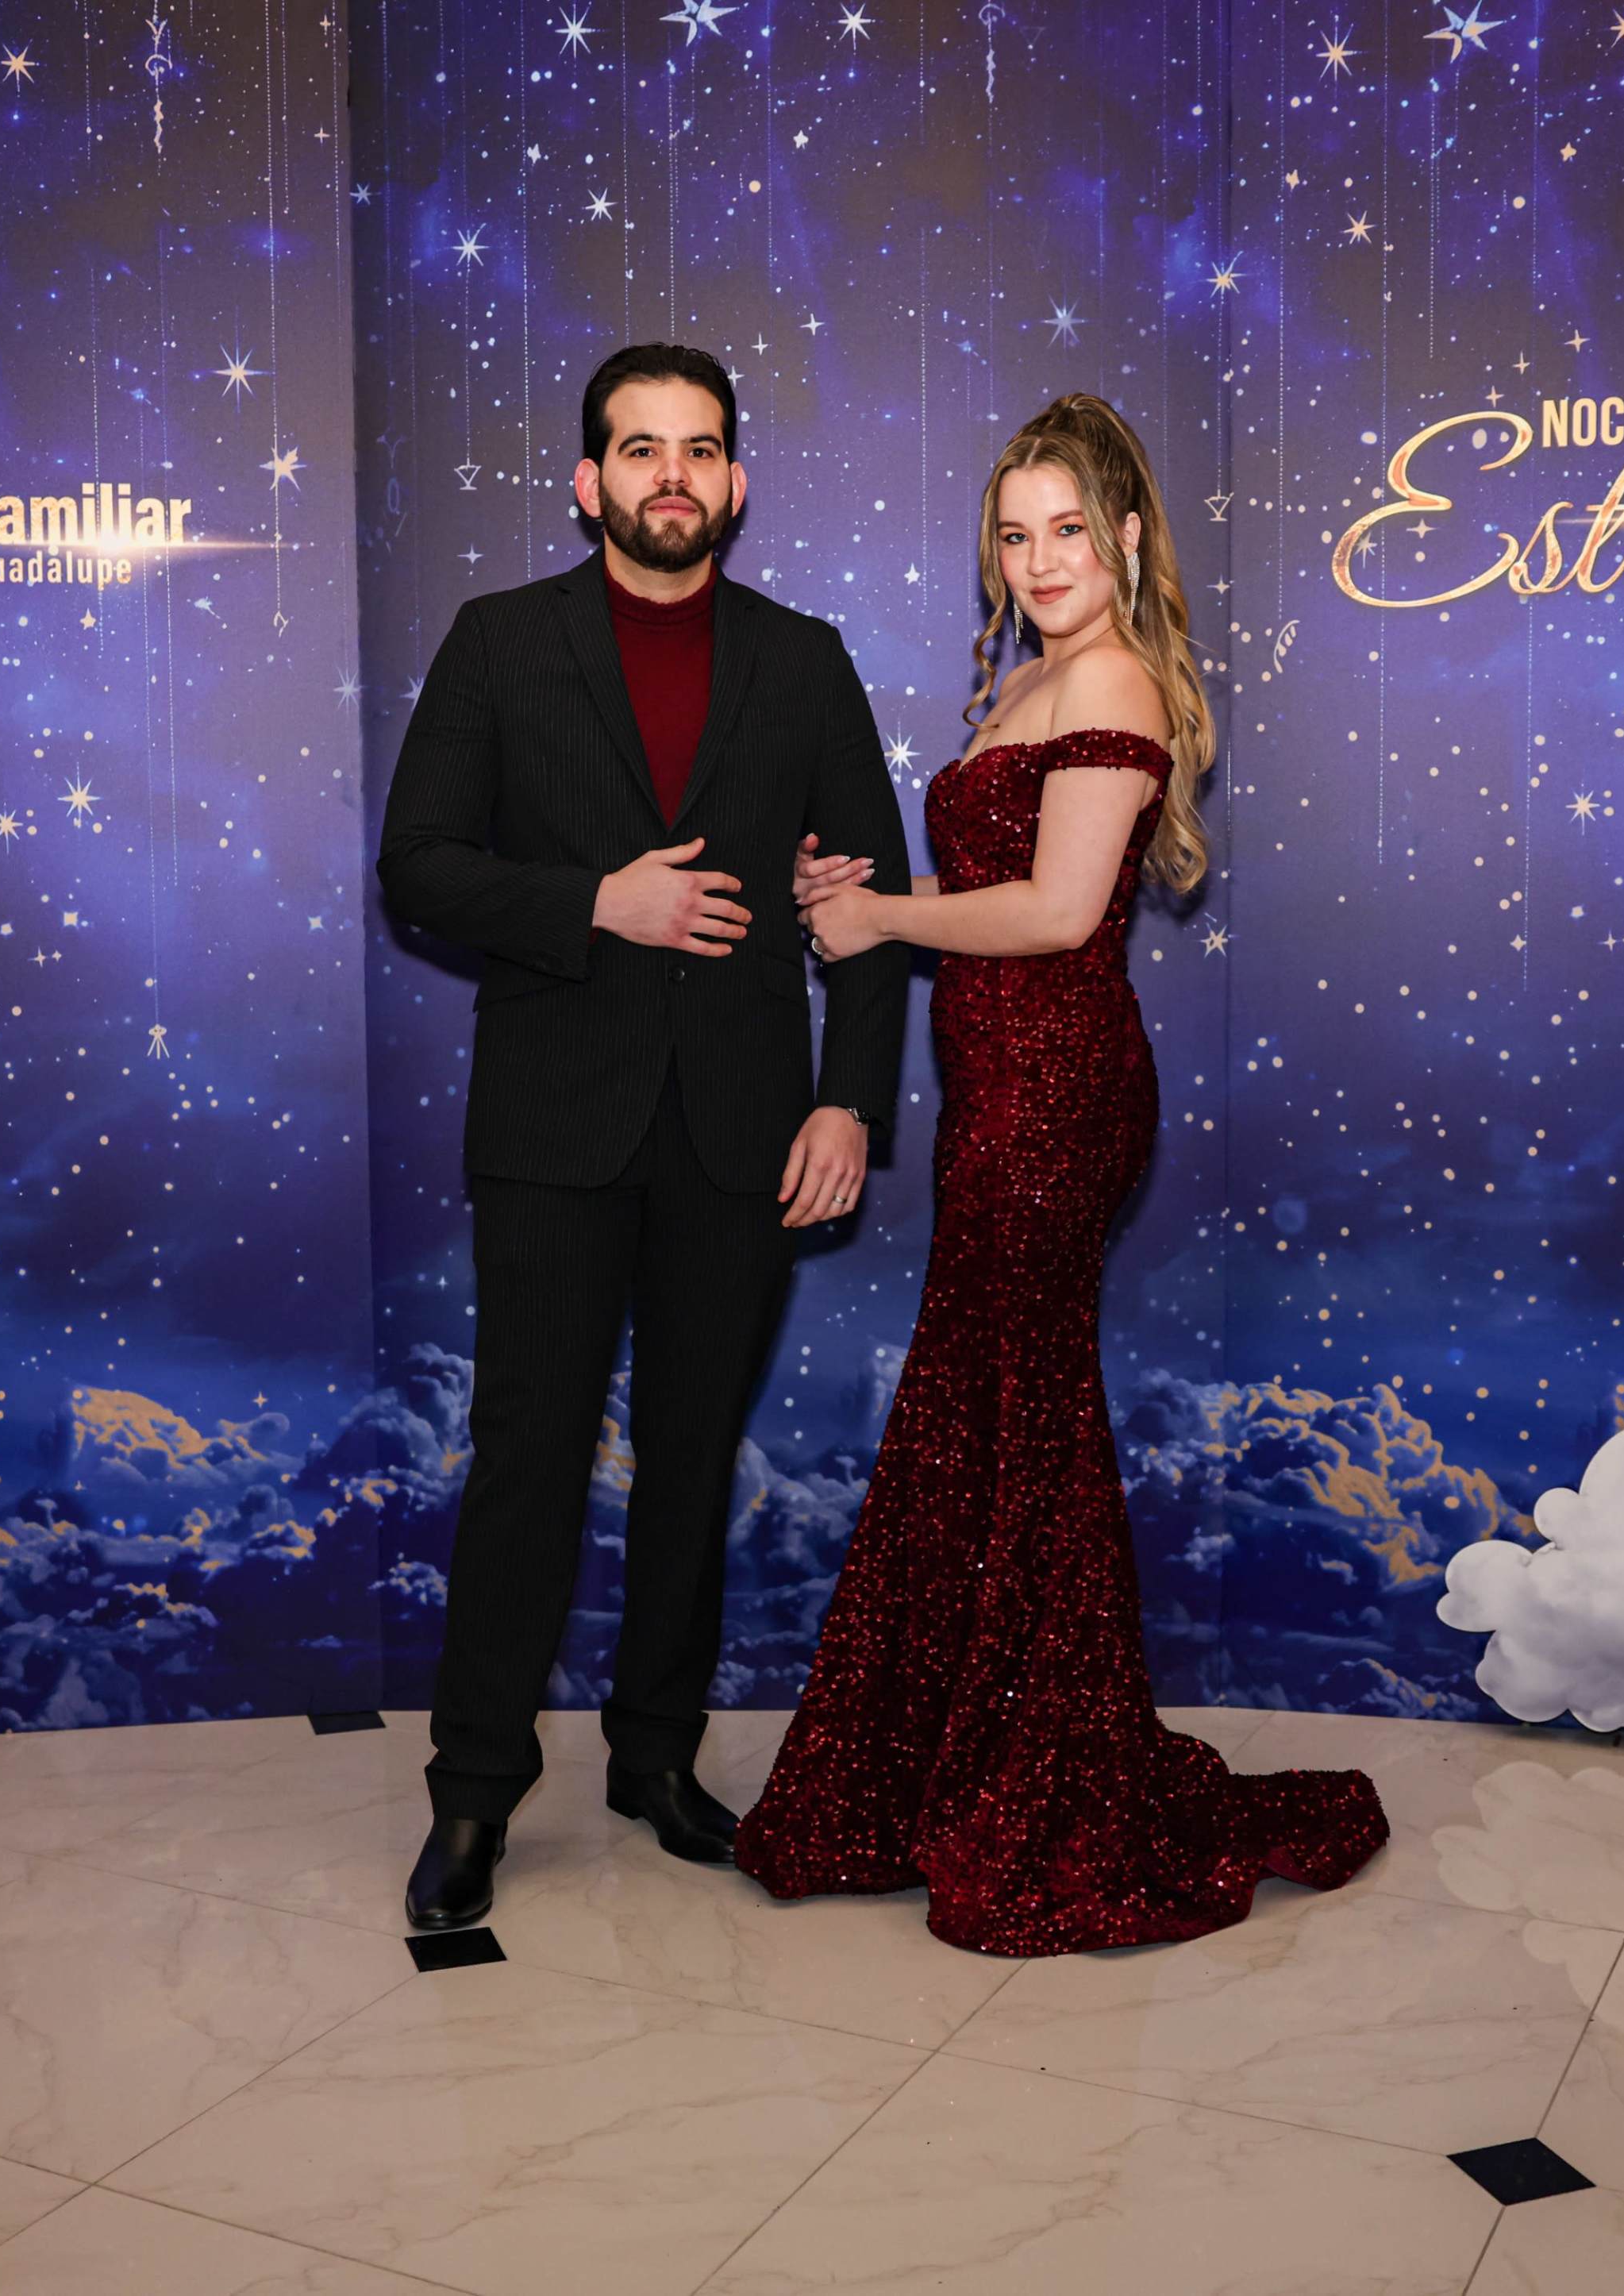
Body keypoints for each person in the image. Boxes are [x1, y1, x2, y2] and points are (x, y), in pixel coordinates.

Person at [734, 394, 1388, 1955]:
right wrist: (868, 896)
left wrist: (885, 919)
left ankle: (1055, 1787)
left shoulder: (1115, 681)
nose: (1039, 560)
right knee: (988, 1425)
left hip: (1058, 1102)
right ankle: (962, 1768)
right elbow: (987, 883)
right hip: (1001, 1096)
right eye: (1015, 537)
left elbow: (1052, 912)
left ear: (1130, 538)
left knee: (1012, 1427)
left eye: (1068, 532)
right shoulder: (1033, 672)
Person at [376, 344, 914, 1931]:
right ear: (587, 479)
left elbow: (866, 906)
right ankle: (473, 1795)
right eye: (637, 449)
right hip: (550, 1131)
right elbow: (418, 866)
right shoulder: (497, 644)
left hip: (743, 1133)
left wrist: (850, 1101)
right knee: (526, 1462)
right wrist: (593, 904)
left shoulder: (804, 661)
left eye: (697, 450)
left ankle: (656, 1757)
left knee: (691, 1462)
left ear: (735, 483)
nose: (668, 475)